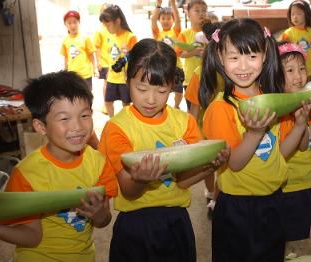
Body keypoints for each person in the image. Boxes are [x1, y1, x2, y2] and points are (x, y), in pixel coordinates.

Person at [98, 38, 229, 262]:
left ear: (172, 85)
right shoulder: (116, 128)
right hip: (134, 224)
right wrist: (140, 179)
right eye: (141, 88)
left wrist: (211, 165)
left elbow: (182, 181)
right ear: (128, 80)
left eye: (161, 90)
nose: (151, 99)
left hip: (176, 220)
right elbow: (129, 191)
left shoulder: (184, 123)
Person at [201, 18, 311, 261]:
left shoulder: (272, 99)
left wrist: (301, 124)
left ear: (265, 55)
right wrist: (254, 133)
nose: (243, 66)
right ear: (220, 57)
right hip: (236, 208)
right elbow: (235, 163)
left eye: (252, 56)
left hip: (274, 201)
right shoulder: (221, 108)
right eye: (234, 57)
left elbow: (280, 153)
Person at [0, 71, 117, 261]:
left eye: (84, 115)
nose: (77, 126)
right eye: (64, 118)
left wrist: (100, 215)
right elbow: (32, 236)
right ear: (41, 127)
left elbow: (103, 221)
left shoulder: (99, 163)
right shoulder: (27, 173)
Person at [277, 42, 311, 248]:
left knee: (288, 236)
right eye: (289, 70)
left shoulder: (305, 101)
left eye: (301, 69)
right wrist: (302, 118)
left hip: (306, 181)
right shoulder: (279, 109)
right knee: (277, 237)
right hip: (286, 186)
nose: (298, 76)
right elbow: (299, 146)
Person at [184, 20, 224, 219]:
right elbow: (194, 110)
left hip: (226, 128)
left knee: (222, 165)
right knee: (210, 165)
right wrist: (191, 139)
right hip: (204, 131)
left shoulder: (234, 73)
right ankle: (211, 194)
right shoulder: (198, 75)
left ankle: (216, 196)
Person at [99, 4, 138, 117]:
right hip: (112, 77)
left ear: (118, 21)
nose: (107, 28)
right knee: (107, 101)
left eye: (108, 25)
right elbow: (111, 57)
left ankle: (126, 122)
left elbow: (136, 57)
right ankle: (112, 120)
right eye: (105, 26)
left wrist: (127, 53)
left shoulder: (130, 36)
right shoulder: (111, 36)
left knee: (125, 103)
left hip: (124, 79)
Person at [150, 0, 184, 109]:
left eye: (169, 18)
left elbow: (178, 19)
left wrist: (173, 4)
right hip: (162, 67)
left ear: (173, 20)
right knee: (162, 89)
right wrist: (158, 5)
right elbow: (153, 20)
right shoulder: (157, 33)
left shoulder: (176, 31)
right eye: (163, 18)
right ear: (159, 20)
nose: (166, 21)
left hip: (176, 67)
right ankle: (162, 106)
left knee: (178, 91)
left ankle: (176, 106)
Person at [175, 0, 207, 110]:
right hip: (190, 78)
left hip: (207, 77)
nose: (201, 13)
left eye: (204, 10)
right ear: (188, 14)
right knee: (192, 109)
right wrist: (195, 52)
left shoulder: (210, 33)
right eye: (197, 11)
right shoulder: (184, 34)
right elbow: (179, 53)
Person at [281, 0, 311, 82]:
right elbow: (281, 54)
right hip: (293, 73)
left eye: (298, 14)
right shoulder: (288, 34)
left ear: (307, 15)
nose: (295, 17)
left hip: (308, 71)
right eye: (292, 14)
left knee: (307, 92)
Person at [61, 10, 96, 91]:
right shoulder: (65, 40)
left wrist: (95, 68)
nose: (73, 25)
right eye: (69, 23)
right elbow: (66, 57)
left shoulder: (85, 38)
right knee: (74, 97)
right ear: (65, 25)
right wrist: (65, 70)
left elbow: (91, 54)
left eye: (75, 22)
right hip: (72, 75)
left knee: (87, 96)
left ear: (79, 22)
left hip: (85, 74)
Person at [94, 3, 112, 115]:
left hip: (114, 62)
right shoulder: (100, 31)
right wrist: (99, 61)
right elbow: (97, 47)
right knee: (106, 84)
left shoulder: (113, 28)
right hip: (105, 62)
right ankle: (106, 105)